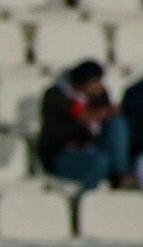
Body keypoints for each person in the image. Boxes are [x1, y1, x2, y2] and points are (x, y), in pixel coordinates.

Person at [38, 60, 134, 191]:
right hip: (63, 152)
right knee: (100, 161)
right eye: (95, 83)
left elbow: (104, 118)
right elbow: (79, 119)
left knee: (118, 125)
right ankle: (85, 200)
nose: (99, 86)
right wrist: (98, 115)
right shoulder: (56, 96)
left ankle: (120, 175)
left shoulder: (99, 95)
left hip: (93, 145)